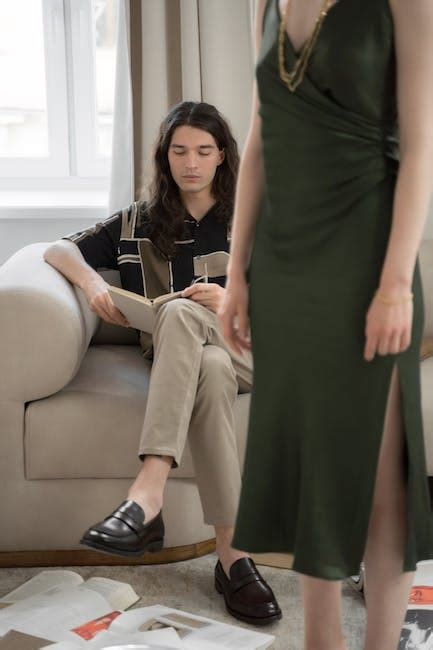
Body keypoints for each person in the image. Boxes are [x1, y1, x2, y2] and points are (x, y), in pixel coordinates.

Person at [218, 0, 433, 649]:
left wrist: (395, 283)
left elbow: (422, 147)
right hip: (285, 263)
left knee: (374, 472)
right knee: (309, 459)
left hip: (368, 255)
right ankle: (320, 641)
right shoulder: (265, 3)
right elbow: (259, 136)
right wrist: (237, 271)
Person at [43, 100, 282, 626]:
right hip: (195, 364)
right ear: (164, 156)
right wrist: (90, 284)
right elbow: (58, 250)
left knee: (186, 318)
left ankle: (146, 494)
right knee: (208, 367)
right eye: (179, 150)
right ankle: (233, 557)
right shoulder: (137, 221)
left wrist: (235, 302)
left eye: (202, 150)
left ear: (222, 155)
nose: (190, 162)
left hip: (253, 352)